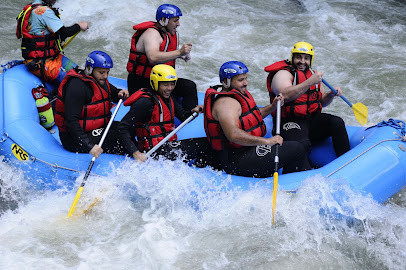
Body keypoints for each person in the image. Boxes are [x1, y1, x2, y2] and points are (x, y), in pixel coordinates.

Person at [203, 61, 310, 178]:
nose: (245, 83)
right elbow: (233, 135)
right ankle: (293, 185)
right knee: (297, 149)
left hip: (247, 150)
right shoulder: (226, 104)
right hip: (237, 160)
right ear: (226, 82)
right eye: (240, 80)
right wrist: (267, 142)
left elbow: (251, 116)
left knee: (298, 145)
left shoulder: (237, 95)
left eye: (245, 79)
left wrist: (272, 107)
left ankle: (298, 175)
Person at [265, 41, 350, 159]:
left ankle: (346, 162)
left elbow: (321, 101)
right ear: (292, 57)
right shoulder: (283, 74)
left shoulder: (312, 75)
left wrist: (330, 95)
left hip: (310, 120)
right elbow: (285, 95)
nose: (302, 61)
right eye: (298, 57)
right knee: (302, 145)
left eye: (306, 58)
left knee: (337, 122)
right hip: (289, 121)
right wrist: (310, 81)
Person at [118, 64, 210, 164]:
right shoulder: (145, 102)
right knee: (205, 145)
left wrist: (195, 111)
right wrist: (135, 152)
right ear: (155, 83)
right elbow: (123, 126)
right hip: (153, 152)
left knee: (206, 143)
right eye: (165, 85)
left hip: (165, 145)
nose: (170, 88)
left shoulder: (168, 98)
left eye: (172, 84)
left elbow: (183, 116)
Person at [55, 51, 129, 158]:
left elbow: (112, 91)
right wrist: (90, 147)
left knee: (127, 129)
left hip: (95, 129)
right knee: (119, 138)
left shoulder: (99, 80)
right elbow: (71, 121)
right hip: (74, 139)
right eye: (102, 72)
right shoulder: (76, 87)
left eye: (107, 72)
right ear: (89, 69)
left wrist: (119, 92)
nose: (105, 76)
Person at [126, 4, 198, 111]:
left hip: (160, 80)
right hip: (143, 83)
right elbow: (153, 57)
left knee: (189, 86)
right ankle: (182, 116)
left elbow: (164, 53)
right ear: (164, 20)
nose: (178, 24)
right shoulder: (152, 34)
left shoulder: (166, 33)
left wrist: (180, 55)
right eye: (175, 20)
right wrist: (178, 52)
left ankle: (190, 116)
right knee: (169, 99)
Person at [16, 0, 89, 84]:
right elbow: (64, 32)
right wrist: (79, 26)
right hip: (42, 64)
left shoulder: (31, 6)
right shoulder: (44, 11)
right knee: (77, 82)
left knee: (81, 72)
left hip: (48, 58)